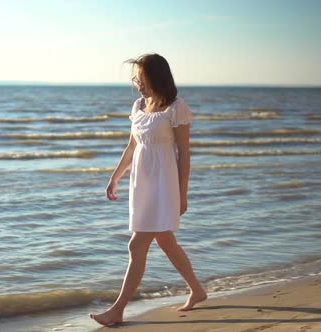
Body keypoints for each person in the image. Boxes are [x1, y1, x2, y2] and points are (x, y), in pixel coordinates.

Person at [89, 53, 207, 326]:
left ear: (155, 77)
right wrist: (115, 176)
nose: (136, 83)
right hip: (141, 183)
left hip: (164, 185)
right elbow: (132, 146)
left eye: (140, 78)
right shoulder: (139, 106)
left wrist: (182, 193)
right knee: (165, 241)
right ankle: (198, 291)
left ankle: (117, 310)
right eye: (135, 78)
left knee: (136, 244)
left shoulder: (176, 108)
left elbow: (184, 155)